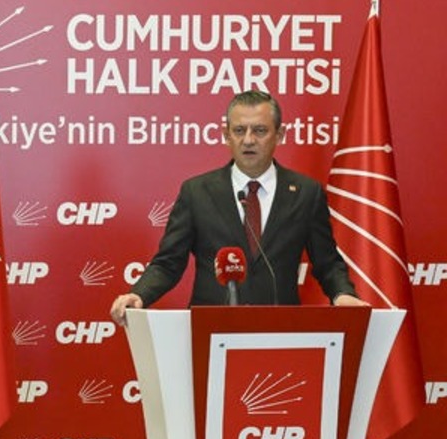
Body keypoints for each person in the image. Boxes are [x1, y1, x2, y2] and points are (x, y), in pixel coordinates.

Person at [110, 90, 368, 325]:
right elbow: (168, 263)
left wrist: (342, 294)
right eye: (239, 130)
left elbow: (327, 262)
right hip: (211, 330)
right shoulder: (197, 192)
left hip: (280, 331)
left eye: (259, 130)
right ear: (226, 135)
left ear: (279, 134)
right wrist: (139, 294)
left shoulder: (306, 193)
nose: (248, 140)